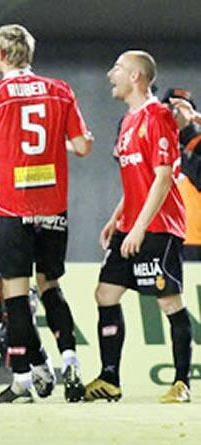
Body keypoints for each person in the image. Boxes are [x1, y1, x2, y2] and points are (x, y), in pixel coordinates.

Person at [0, 24, 93, 403]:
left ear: (1, 56)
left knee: (14, 291)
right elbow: (81, 147)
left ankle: (23, 382)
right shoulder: (60, 91)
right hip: (52, 208)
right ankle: (71, 358)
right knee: (50, 286)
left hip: (11, 208)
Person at [85, 51, 193, 403]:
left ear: (135, 76)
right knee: (105, 295)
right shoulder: (128, 121)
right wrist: (117, 218)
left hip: (158, 226)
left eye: (116, 68)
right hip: (131, 224)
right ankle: (110, 378)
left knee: (169, 302)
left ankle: (181, 383)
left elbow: (163, 180)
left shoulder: (158, 116)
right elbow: (137, 179)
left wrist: (139, 229)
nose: (109, 74)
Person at [166, 89, 201, 261]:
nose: (176, 115)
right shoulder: (157, 143)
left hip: (194, 239)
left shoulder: (196, 144)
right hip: (165, 237)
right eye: (172, 109)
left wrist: (194, 119)